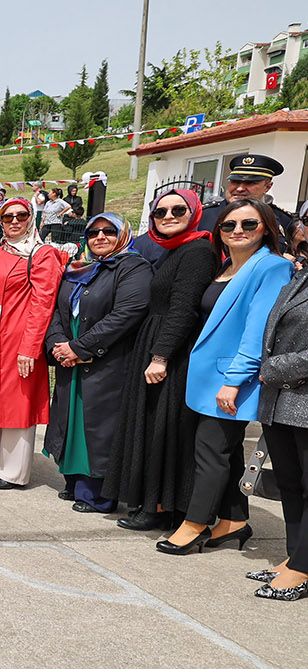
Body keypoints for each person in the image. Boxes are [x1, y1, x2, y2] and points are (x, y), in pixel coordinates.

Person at [159, 199, 291, 554]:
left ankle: (195, 523)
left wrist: (234, 381)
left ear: (266, 228)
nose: (238, 231)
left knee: (211, 451)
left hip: (232, 379)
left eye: (249, 225)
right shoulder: (226, 266)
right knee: (227, 454)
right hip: (206, 378)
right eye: (229, 225)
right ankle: (233, 521)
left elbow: (257, 331)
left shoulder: (271, 267)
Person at [105, 188, 217, 530]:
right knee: (152, 425)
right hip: (157, 342)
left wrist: (160, 356)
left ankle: (159, 507)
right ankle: (152, 503)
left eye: (177, 210)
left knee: (161, 428)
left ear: (193, 213)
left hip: (170, 351)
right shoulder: (177, 249)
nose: (168, 216)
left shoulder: (198, 251)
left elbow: (183, 309)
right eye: (160, 212)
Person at [42, 214, 153, 512]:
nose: (100, 236)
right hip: (70, 357)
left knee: (98, 427)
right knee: (70, 420)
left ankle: (99, 494)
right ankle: (74, 483)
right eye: (93, 232)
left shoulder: (133, 267)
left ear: (123, 234)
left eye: (108, 231)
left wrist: (80, 347)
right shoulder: (78, 269)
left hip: (106, 360)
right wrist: (57, 345)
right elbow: (57, 312)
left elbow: (127, 313)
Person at [0, 197, 65, 490]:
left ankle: (13, 472)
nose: (14, 221)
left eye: (21, 215)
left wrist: (30, 347)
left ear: (31, 217)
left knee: (17, 403)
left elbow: (43, 303)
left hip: (18, 336)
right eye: (7, 216)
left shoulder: (41, 254)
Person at [251, 267, 308, 599]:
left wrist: (274, 368)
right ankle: (294, 557)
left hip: (295, 392)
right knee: (290, 483)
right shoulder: (300, 275)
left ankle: (301, 568)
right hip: (279, 398)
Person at [198, 154, 294, 237]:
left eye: (250, 183)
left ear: (267, 187)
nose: (240, 189)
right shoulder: (203, 215)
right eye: (235, 182)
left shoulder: (283, 219)